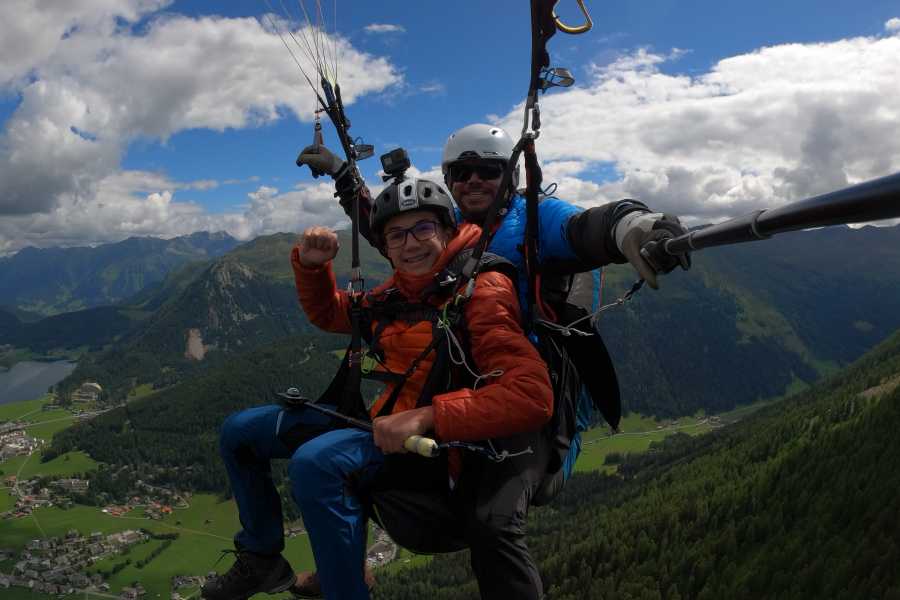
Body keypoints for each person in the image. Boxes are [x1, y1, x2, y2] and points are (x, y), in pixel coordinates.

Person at [202, 175, 554, 600]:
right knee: (240, 432)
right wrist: (312, 268)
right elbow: (336, 316)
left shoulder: (480, 290)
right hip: (383, 422)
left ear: (447, 229)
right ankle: (261, 559)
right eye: (396, 235)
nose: (410, 244)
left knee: (316, 463)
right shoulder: (403, 289)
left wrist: (429, 416)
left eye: (423, 228)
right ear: (385, 247)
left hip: (435, 448)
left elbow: (532, 394)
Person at [298, 123, 692, 482]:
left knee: (493, 522)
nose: (473, 181)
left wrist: (631, 225)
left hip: (525, 386)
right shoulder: (447, 223)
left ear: (512, 174)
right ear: (448, 179)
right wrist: (343, 175)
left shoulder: (536, 218)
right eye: (460, 172)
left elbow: (583, 229)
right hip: (464, 383)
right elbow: (386, 228)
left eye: (488, 170)